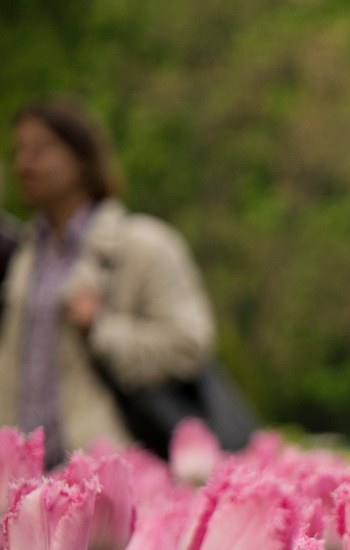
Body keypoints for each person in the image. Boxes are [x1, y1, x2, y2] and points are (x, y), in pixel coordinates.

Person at [0, 99, 215, 467]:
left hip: (104, 474)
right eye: (20, 151)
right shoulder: (24, 256)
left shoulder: (143, 246)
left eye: (39, 150)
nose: (24, 164)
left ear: (81, 158)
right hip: (22, 483)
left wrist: (101, 328)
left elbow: (190, 345)